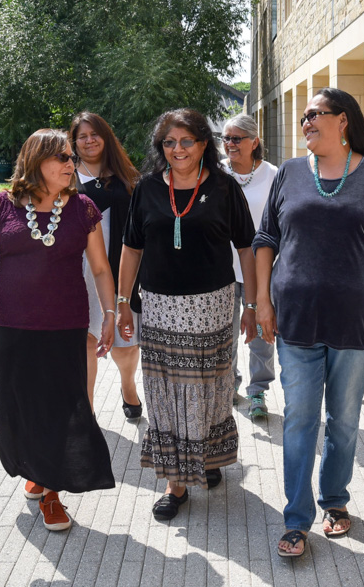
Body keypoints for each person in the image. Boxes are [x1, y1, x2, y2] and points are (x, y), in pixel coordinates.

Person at [255, 88, 364, 558]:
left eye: (313, 115)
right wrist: (262, 301)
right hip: (296, 320)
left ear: (342, 121)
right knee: (300, 419)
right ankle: (297, 519)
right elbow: (266, 237)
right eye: (303, 117)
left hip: (356, 323)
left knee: (343, 421)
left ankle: (336, 501)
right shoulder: (288, 173)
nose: (305, 122)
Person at [0, 128, 117, 532]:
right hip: (12, 327)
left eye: (72, 158)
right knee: (22, 405)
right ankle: (37, 472)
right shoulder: (2, 207)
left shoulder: (83, 208)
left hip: (65, 326)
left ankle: (51, 490)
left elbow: (101, 268)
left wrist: (109, 313)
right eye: (63, 158)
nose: (72, 165)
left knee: (63, 406)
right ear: (37, 162)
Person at [116, 109, 257, 522]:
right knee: (166, 392)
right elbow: (131, 248)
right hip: (159, 306)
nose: (178, 149)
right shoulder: (146, 190)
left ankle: (207, 458)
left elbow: (247, 247)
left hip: (212, 307)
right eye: (169, 143)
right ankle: (175, 481)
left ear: (202, 145)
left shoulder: (225, 188)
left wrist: (250, 305)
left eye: (186, 141)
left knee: (209, 387)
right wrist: (122, 302)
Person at [70, 112, 144, 420]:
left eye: (95, 134)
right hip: (77, 270)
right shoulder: (66, 174)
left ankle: (128, 384)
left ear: (106, 136)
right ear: (73, 142)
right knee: (84, 340)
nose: (89, 140)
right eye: (82, 136)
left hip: (116, 267)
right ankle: (86, 413)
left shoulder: (125, 175)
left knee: (125, 343)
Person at [219, 113, 279, 418]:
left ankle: (258, 391)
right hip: (222, 269)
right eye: (226, 138)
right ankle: (229, 385)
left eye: (236, 138)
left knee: (260, 333)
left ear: (254, 142)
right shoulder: (215, 173)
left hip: (261, 270)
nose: (230, 144)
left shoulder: (273, 175)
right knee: (225, 333)